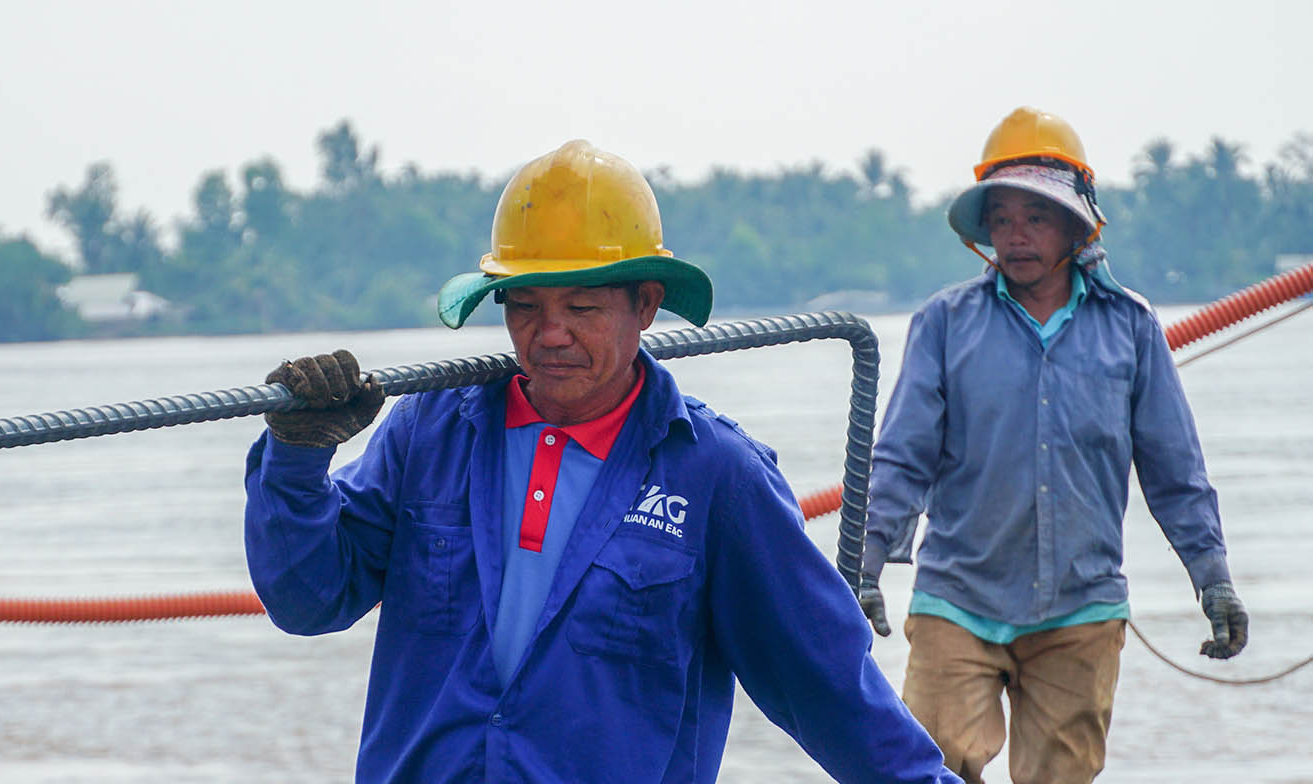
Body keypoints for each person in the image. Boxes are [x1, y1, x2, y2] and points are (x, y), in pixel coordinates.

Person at [244, 140, 960, 783]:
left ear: (645, 304)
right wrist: (297, 458)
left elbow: (829, 688)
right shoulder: (428, 433)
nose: (548, 334)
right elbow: (308, 599)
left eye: (581, 306)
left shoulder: (718, 478)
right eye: (523, 305)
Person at [857, 107, 1250, 784]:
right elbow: (903, 457)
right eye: (1002, 218)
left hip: (1081, 608)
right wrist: (862, 567)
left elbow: (1175, 471)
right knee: (927, 767)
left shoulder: (1129, 327)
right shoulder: (945, 324)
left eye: (1036, 217)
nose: (1016, 236)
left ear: (1076, 225)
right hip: (959, 598)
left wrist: (1212, 578)